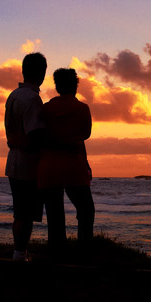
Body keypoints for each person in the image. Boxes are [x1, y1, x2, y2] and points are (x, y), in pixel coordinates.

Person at [38, 68, 95, 246]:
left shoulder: (46, 109)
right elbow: (85, 134)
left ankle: (57, 255)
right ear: (75, 86)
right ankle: (84, 251)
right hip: (74, 166)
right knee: (86, 210)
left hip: (49, 167)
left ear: (57, 86)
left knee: (55, 215)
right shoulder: (82, 108)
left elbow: (40, 134)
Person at [4, 52, 47, 261]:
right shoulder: (32, 99)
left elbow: (13, 133)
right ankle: (20, 255)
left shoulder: (13, 95)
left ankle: (19, 252)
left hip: (14, 162)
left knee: (20, 212)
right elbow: (34, 137)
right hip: (27, 165)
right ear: (42, 73)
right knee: (25, 215)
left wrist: (15, 140)